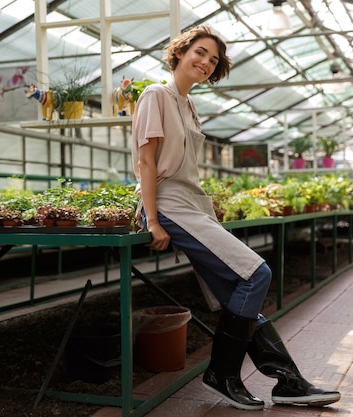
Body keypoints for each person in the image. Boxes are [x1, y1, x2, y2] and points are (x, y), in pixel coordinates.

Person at [131, 24, 341, 411]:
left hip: (194, 204)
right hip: (171, 204)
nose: (205, 62)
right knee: (255, 273)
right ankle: (222, 375)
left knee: (236, 294)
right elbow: (146, 161)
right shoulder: (155, 95)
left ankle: (287, 382)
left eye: (213, 60)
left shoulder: (189, 105)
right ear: (180, 52)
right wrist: (154, 219)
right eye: (199, 52)